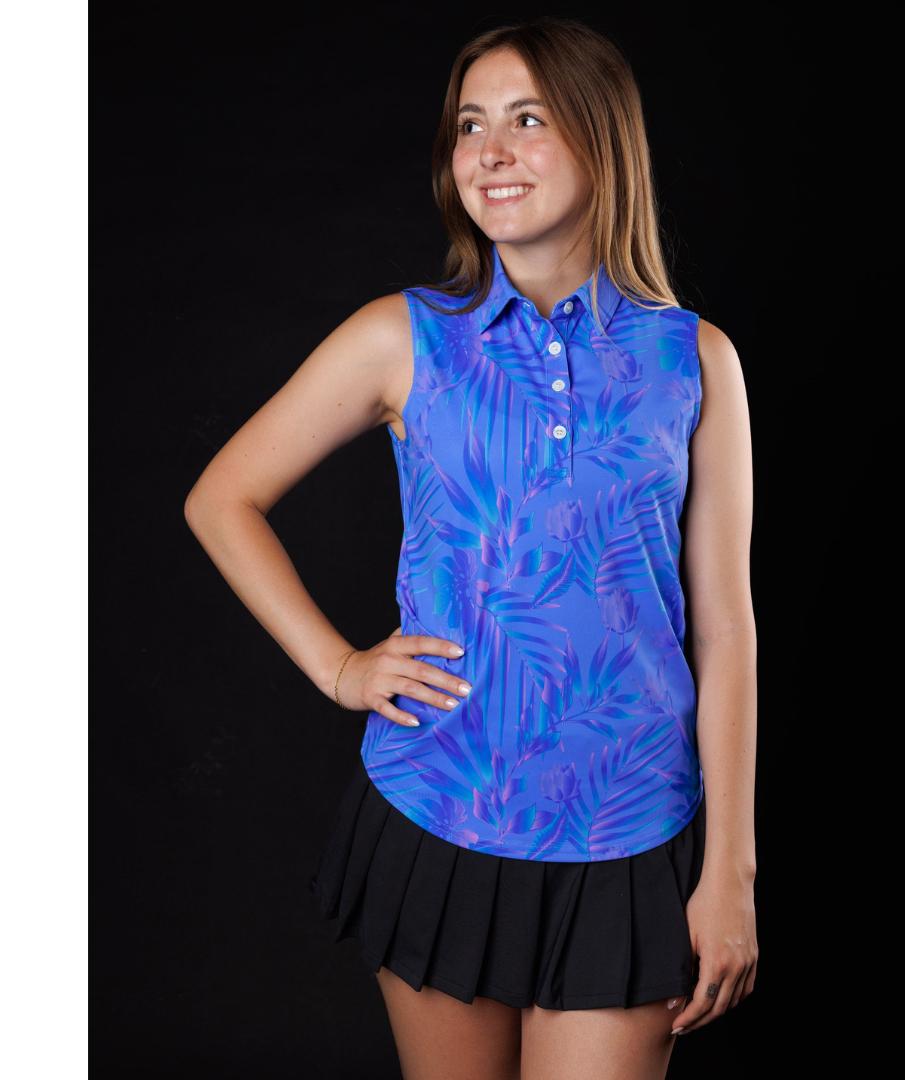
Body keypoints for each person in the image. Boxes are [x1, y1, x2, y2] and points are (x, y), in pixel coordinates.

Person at [185, 17, 757, 1080]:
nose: (490, 152)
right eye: (469, 125)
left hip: (630, 833)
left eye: (528, 120)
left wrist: (732, 869)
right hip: (441, 813)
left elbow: (725, 628)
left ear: (602, 139)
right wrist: (340, 667)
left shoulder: (694, 360)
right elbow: (223, 498)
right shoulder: (403, 338)